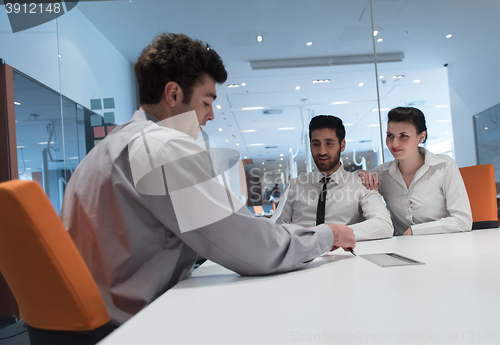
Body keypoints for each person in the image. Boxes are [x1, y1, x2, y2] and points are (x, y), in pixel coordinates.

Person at [60, 33, 355, 326]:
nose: (211, 116)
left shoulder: (111, 146)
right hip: (128, 326)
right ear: (173, 95)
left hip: (90, 320)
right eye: (206, 102)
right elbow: (255, 249)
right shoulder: (160, 148)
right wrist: (329, 234)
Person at [358, 107, 472, 236]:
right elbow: (351, 186)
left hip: (444, 244)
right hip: (402, 249)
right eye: (390, 136)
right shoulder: (382, 174)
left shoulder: (444, 166)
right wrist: (360, 174)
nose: (394, 143)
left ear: (421, 137)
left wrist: (415, 231)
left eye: (404, 136)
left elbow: (463, 221)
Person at [277, 115, 393, 241]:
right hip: (300, 256)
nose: (322, 151)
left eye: (329, 144)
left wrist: (335, 233)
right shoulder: (294, 185)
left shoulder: (361, 184)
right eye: (316, 144)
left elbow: (384, 225)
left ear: (342, 145)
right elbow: (277, 229)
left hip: (344, 256)